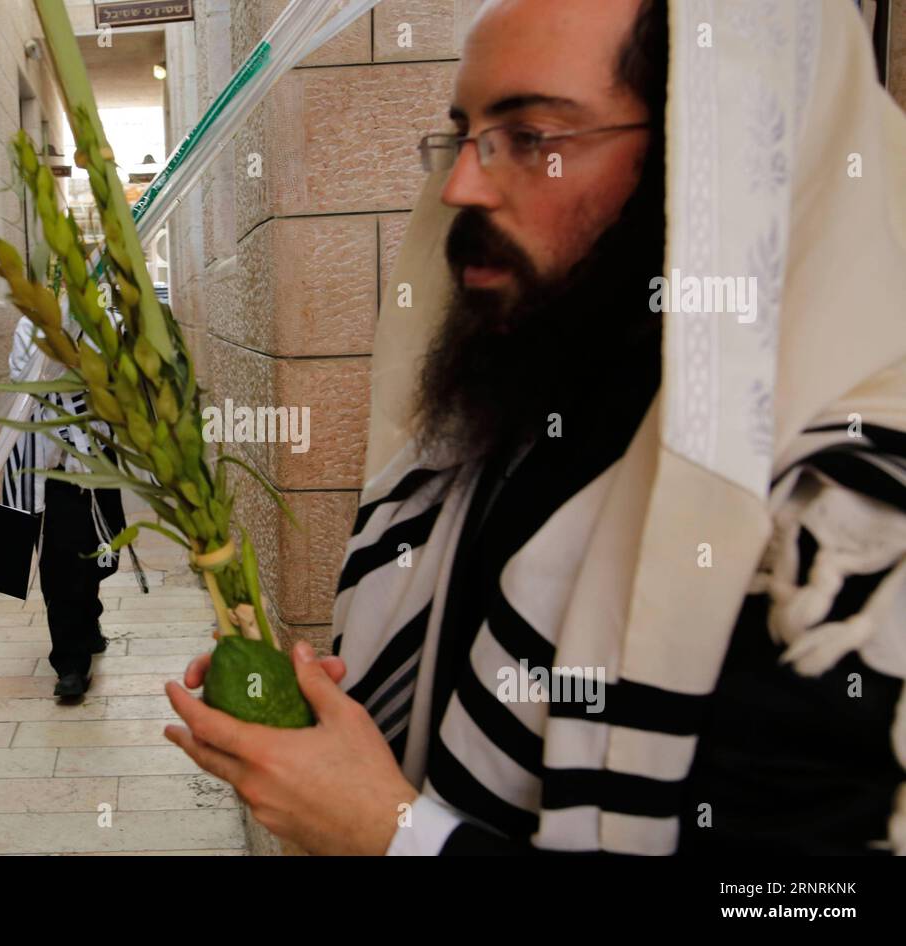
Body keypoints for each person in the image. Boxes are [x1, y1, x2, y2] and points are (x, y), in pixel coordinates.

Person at [163, 0, 906, 855]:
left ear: (713, 151)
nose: (458, 188)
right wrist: (324, 731)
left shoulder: (842, 545)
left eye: (532, 138)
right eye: (465, 133)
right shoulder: (534, 388)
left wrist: (386, 832)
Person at [2, 311, 134, 700]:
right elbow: (20, 380)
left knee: (100, 554)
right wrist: (53, 354)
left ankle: (89, 618)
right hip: (53, 469)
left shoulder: (104, 322)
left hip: (96, 460)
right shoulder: (30, 324)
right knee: (59, 569)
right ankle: (70, 665)